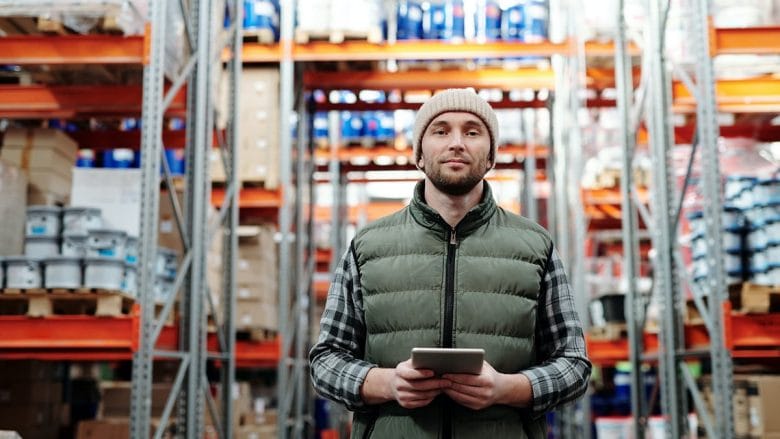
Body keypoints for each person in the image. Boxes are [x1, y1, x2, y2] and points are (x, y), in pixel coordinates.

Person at [309, 88, 591, 439]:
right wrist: (386, 383)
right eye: (440, 131)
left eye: (472, 132)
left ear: (490, 157)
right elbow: (325, 361)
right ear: (420, 155)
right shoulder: (368, 246)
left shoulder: (536, 246)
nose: (456, 142)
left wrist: (507, 388)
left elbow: (574, 364)